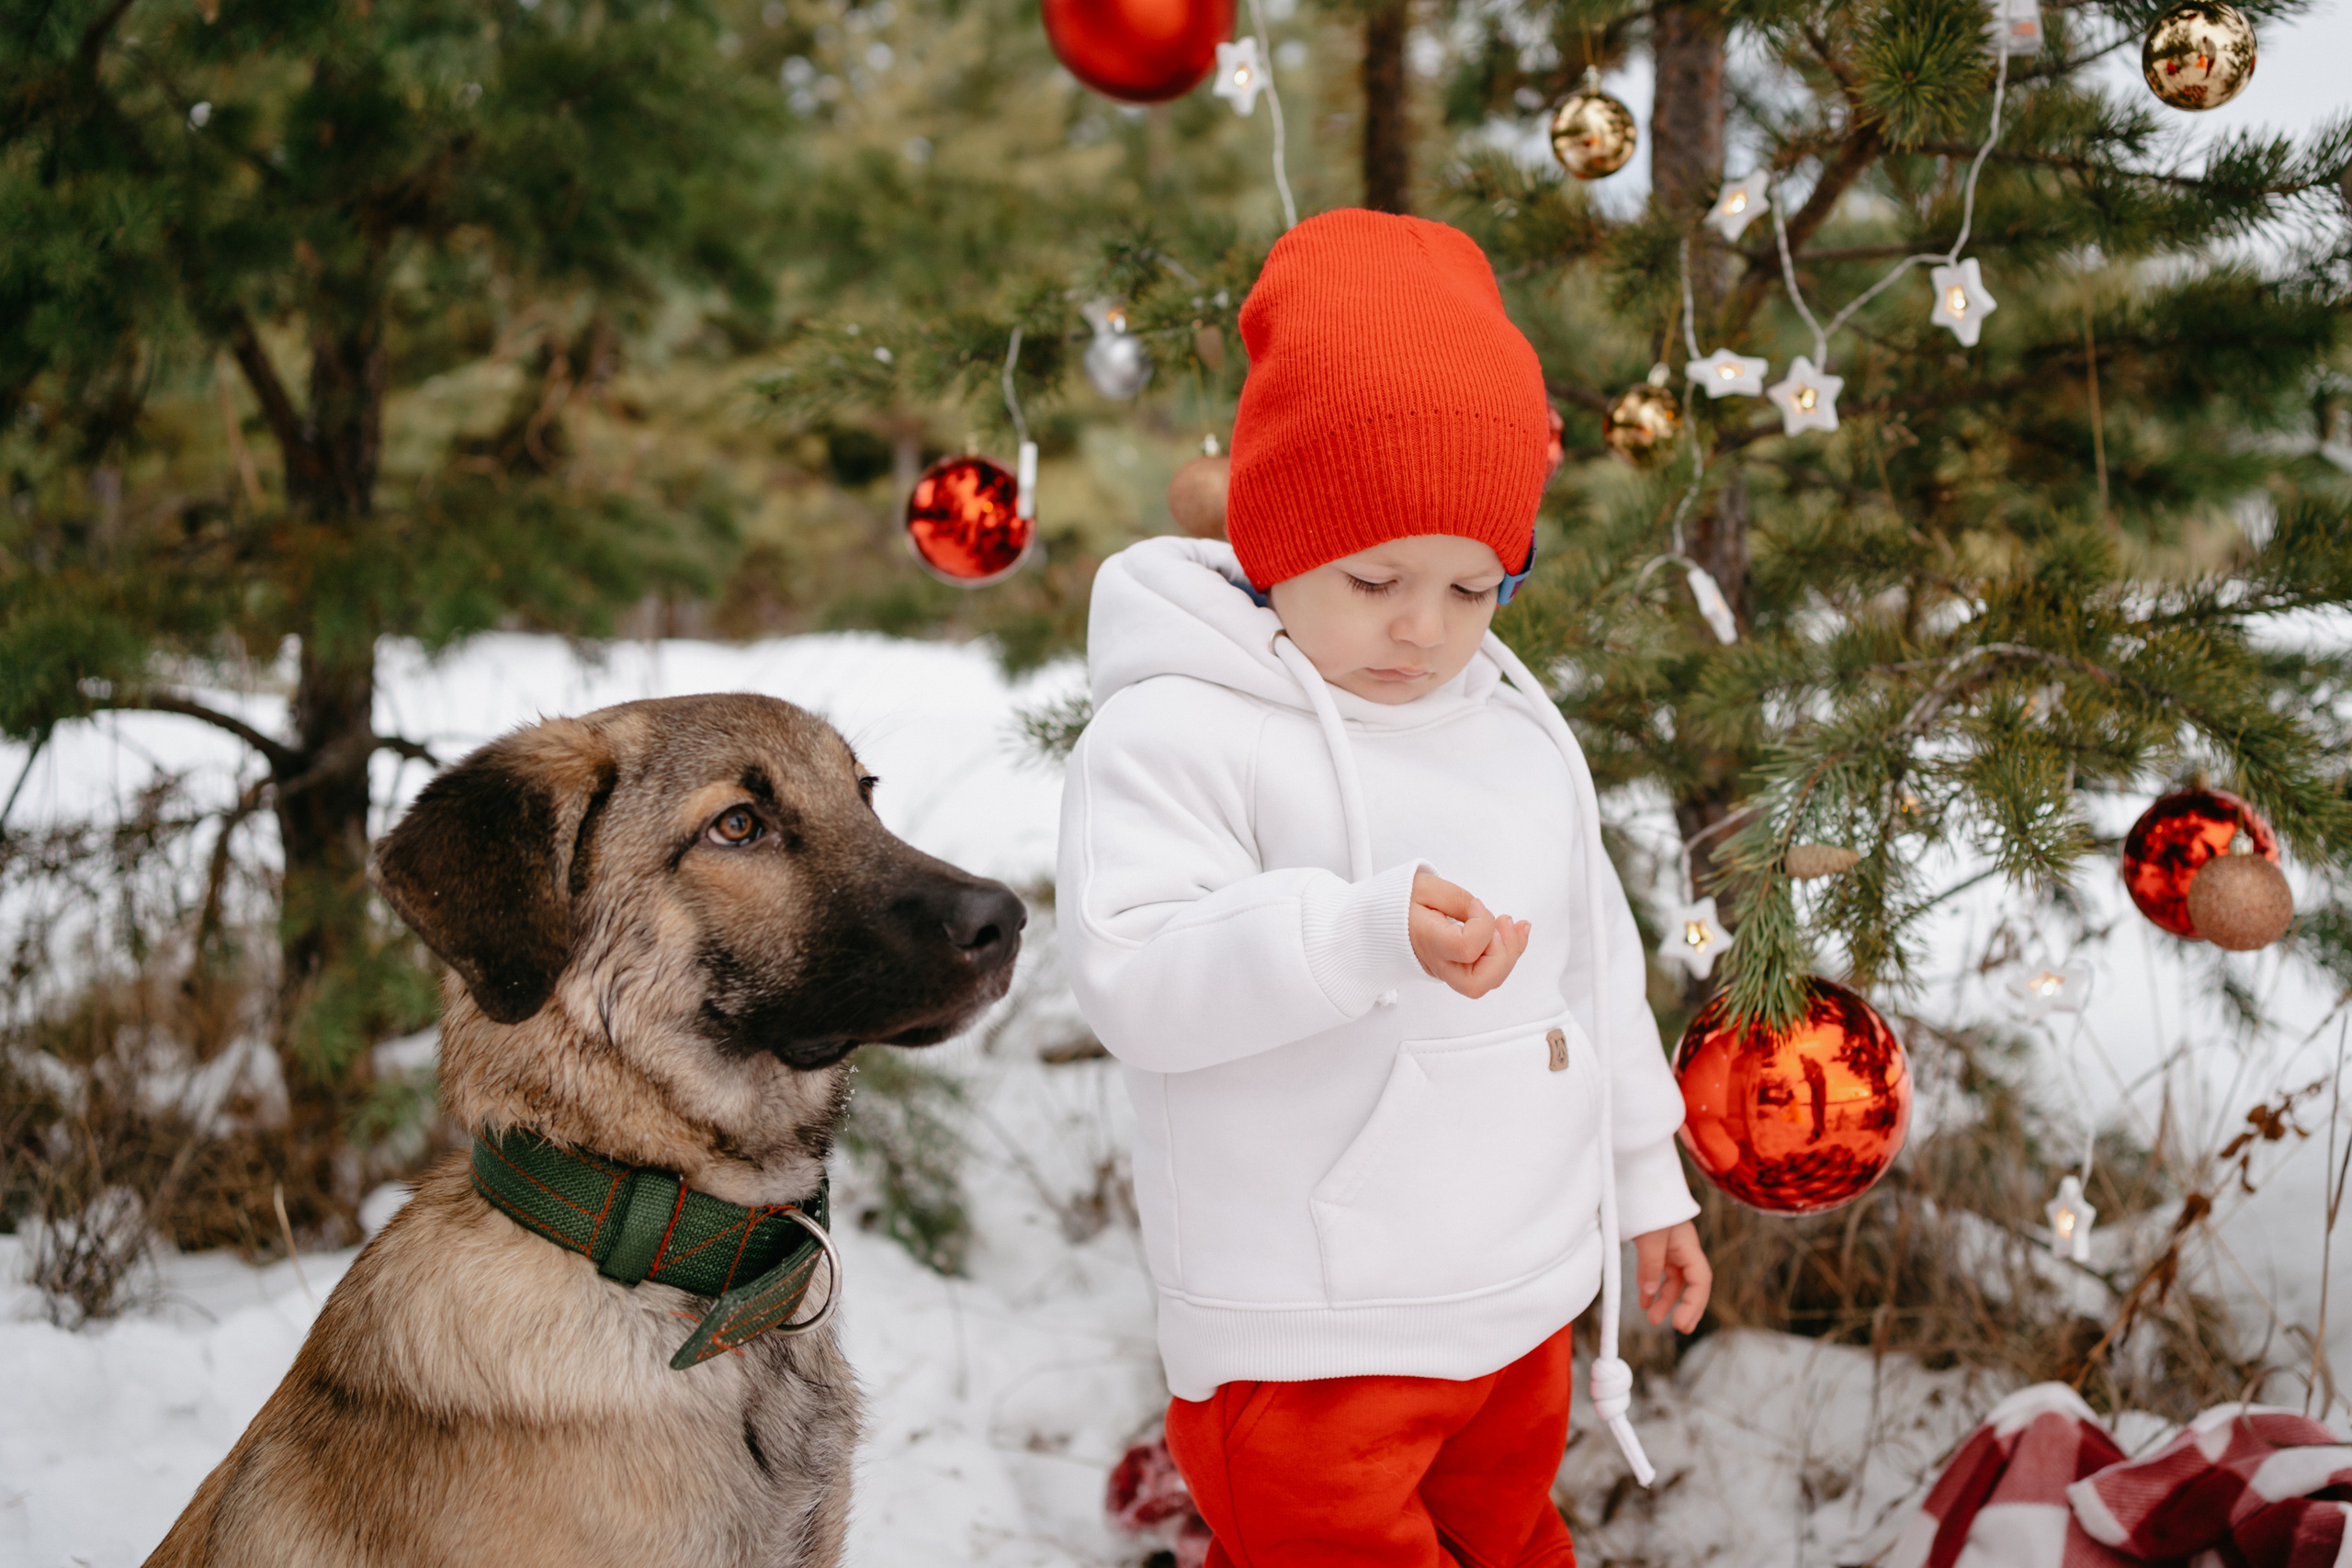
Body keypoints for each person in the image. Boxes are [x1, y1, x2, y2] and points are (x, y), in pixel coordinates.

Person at [1056, 208, 1713, 1568]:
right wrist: (1353, 933)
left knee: (1517, 1541)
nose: (1426, 628)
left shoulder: (1516, 730)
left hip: (1521, 1306)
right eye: (1376, 578)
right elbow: (1137, 975)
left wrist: (1646, 1177)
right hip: (1308, 1339)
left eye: (1476, 586)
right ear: (1278, 530)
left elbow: (1594, 971)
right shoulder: (1180, 730)